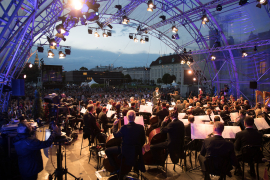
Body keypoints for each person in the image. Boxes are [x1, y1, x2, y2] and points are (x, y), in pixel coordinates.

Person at [105, 110, 146, 175]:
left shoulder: (124, 127)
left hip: (125, 151)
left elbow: (115, 135)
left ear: (127, 117)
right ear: (135, 117)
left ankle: (116, 168)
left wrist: (115, 125)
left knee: (107, 150)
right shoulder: (141, 127)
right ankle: (135, 168)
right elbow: (143, 140)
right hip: (136, 151)